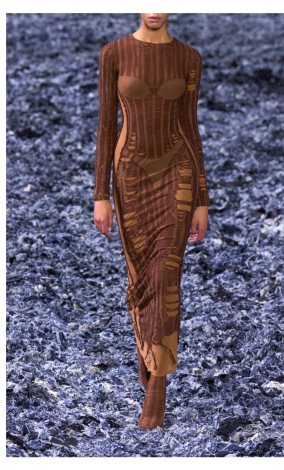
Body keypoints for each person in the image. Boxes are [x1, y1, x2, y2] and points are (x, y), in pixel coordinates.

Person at [93, 13, 212, 430]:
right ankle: (149, 350)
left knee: (165, 276)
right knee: (141, 277)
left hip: (178, 173)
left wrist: (202, 199)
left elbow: (191, 128)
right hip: (130, 177)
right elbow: (106, 124)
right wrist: (100, 194)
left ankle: (158, 382)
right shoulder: (114, 53)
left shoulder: (189, 57)